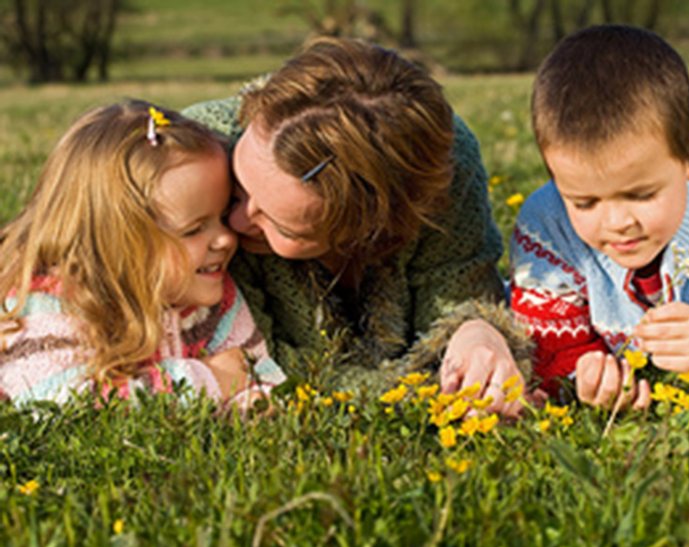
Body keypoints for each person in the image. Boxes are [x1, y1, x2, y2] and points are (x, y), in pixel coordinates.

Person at [184, 37, 532, 414]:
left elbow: (458, 285)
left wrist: (477, 332)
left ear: (373, 231)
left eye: (284, 228)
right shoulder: (194, 162)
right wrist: (426, 391)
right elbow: (258, 365)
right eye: (238, 188)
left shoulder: (443, 169)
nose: (233, 223)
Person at [510, 24, 689, 407]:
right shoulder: (547, 229)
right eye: (585, 203)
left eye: (641, 195)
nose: (617, 222)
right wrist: (587, 380)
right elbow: (550, 354)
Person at [0, 100, 285, 406]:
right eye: (193, 230)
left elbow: (255, 373)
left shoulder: (211, 296)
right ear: (113, 242)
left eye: (224, 213)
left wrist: (255, 404)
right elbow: (62, 405)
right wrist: (210, 380)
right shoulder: (53, 304)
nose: (225, 239)